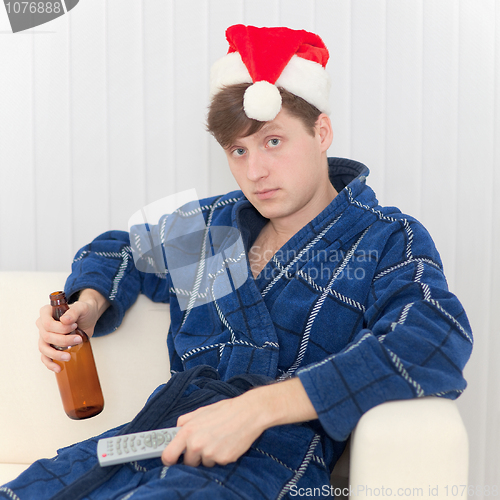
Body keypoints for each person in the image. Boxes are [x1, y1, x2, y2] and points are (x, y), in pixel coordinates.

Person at [1, 24, 472, 500]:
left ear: (321, 132)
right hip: (147, 440)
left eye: (273, 142)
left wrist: (260, 408)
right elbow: (119, 249)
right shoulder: (210, 229)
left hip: (268, 464)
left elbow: (434, 339)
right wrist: (90, 301)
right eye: (238, 151)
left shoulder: (384, 237)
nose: (255, 171)